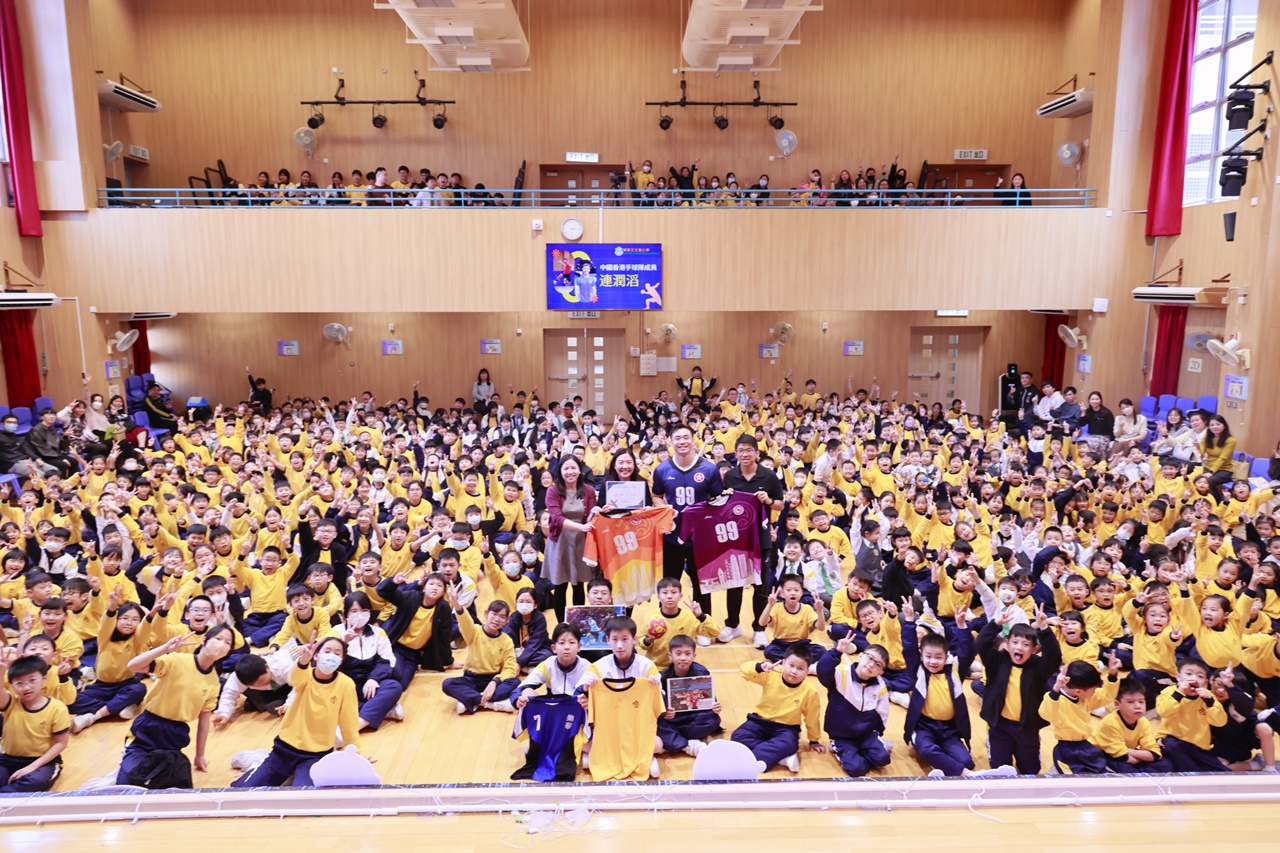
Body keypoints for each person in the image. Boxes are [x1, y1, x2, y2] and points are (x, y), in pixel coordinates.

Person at [231, 635, 363, 787]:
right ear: (317, 655)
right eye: (327, 651)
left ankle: (291, 773)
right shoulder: (304, 675)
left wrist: (355, 753)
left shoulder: (346, 684)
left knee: (303, 796)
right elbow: (295, 678)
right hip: (285, 748)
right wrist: (304, 660)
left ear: (341, 660)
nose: (331, 656)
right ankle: (257, 761)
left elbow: (349, 722)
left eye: (337, 653)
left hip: (316, 755)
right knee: (244, 790)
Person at [116, 625, 235, 787]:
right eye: (219, 638)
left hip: (175, 734)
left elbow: (204, 722)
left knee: (179, 787)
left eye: (228, 642)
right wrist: (165, 648)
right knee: (127, 784)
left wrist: (199, 755)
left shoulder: (214, 683)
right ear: (204, 640)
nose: (222, 644)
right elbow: (133, 666)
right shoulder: (177, 660)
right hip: (147, 727)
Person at [651, 424, 723, 629]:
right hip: (671, 535)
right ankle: (664, 626)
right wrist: (665, 509)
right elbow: (656, 495)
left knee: (702, 583)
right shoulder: (662, 469)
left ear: (693, 440)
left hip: (701, 538)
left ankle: (703, 626)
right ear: (670, 442)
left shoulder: (709, 468)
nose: (682, 442)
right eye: (678, 438)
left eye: (686, 437)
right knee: (668, 583)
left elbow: (718, 500)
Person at [975, 607, 1061, 775]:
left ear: (1034, 649)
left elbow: (1054, 656)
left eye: (1026, 644)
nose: (1019, 648)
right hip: (1000, 726)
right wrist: (996, 624)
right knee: (1000, 769)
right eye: (1015, 642)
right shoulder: (997, 661)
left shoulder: (1038, 666)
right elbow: (981, 644)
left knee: (1031, 770)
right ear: (1007, 644)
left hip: (1027, 728)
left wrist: (1044, 628)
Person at [721, 435, 785, 647]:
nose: (745, 454)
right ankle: (732, 625)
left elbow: (780, 505)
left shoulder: (769, 476)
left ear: (757, 453)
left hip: (761, 538)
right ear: (736, 453)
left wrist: (768, 501)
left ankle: (759, 628)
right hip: (736, 537)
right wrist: (725, 496)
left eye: (749, 450)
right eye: (741, 450)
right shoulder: (730, 476)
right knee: (735, 584)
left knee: (761, 585)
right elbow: (722, 505)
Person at [730, 643, 823, 773]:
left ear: (807, 672)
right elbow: (744, 672)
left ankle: (755, 756)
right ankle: (780, 758)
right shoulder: (771, 675)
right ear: (783, 663)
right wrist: (759, 667)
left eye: (800, 668)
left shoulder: (810, 691)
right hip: (759, 722)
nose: (794, 671)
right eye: (791, 665)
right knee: (738, 736)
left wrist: (814, 740)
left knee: (789, 743)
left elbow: (812, 717)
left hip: (786, 729)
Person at [816, 638, 891, 777]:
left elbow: (883, 713)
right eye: (870, 658)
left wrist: (878, 734)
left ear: (881, 672)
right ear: (860, 656)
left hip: (866, 735)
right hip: (842, 736)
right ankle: (838, 747)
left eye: (878, 665)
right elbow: (823, 670)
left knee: (883, 759)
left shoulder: (880, 686)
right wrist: (837, 652)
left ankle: (872, 745)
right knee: (857, 769)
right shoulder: (842, 674)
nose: (871, 665)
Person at [0, 650, 70, 793]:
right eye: (19, 683)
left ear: (44, 679)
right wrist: (1, 672)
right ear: (11, 685)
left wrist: (31, 767)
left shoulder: (57, 708)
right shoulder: (11, 703)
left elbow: (61, 743)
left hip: (42, 761)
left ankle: (5, 795)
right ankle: (8, 794)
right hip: (8, 759)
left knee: (35, 781)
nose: (26, 687)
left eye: (32, 680)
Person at [441, 588, 519, 714]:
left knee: (515, 682)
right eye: (494, 614)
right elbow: (465, 622)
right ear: (486, 614)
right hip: (472, 679)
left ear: (506, 621)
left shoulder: (507, 640)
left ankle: (469, 700)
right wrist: (456, 603)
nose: (497, 619)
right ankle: (490, 704)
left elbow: (509, 668)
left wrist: (494, 682)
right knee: (447, 684)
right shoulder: (474, 632)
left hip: (493, 678)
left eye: (502, 617)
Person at [1039, 657, 1121, 774]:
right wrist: (1056, 688)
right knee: (1075, 778)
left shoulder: (1083, 697)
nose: (1094, 692)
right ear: (1078, 691)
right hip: (1067, 751)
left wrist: (1112, 675)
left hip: (1085, 747)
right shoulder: (1058, 701)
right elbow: (1046, 713)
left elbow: (1105, 695)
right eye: (1093, 690)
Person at [655, 634, 722, 758]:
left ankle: (673, 741)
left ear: (694, 656)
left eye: (687, 654)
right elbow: (658, 703)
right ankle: (688, 744)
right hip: (674, 718)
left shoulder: (701, 672)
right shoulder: (662, 677)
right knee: (656, 723)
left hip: (695, 716)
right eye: (678, 654)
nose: (683, 658)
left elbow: (709, 698)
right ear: (670, 656)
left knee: (713, 720)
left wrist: (715, 706)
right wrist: (665, 713)